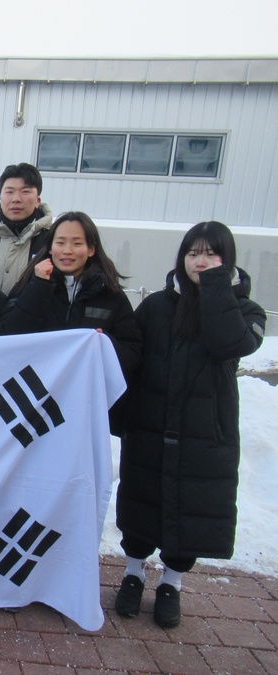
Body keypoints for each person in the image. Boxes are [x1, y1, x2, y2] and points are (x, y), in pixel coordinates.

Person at [114, 221, 265, 629]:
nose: (201, 261)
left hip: (204, 432)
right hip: (150, 424)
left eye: (211, 254)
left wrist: (216, 287)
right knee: (140, 502)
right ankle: (132, 573)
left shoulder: (245, 311)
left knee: (191, 509)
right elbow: (130, 359)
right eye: (193, 253)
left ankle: (172, 583)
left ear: (226, 260)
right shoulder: (157, 306)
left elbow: (228, 343)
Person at [0, 212, 142, 410]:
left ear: (91, 249)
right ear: (49, 247)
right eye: (61, 243)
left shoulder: (111, 294)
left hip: (86, 403)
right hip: (34, 403)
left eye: (77, 243)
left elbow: (132, 353)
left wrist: (105, 343)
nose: (67, 251)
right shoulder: (28, 285)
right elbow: (7, 336)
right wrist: (39, 286)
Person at [0, 162, 54, 295]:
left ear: (38, 200)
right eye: (9, 192)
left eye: (25, 192)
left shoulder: (52, 241)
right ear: (0, 198)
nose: (16, 199)